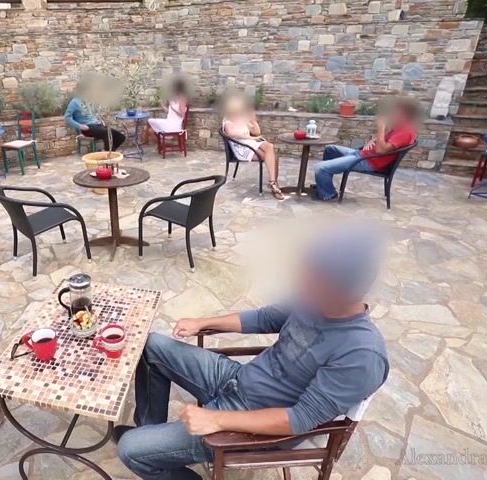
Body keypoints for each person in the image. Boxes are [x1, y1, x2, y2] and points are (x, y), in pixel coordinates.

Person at [116, 224, 390, 480]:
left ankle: (165, 463)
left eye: (310, 275)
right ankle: (149, 430)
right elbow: (264, 318)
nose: (300, 280)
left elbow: (300, 419)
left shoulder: (362, 356)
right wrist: (202, 322)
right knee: (152, 346)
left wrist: (216, 420)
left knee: (130, 449)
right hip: (237, 378)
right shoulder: (313, 300)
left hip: (258, 423)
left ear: (337, 289)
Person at [313, 97, 420, 201]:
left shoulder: (406, 132)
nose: (393, 114)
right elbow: (384, 140)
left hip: (369, 161)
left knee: (320, 168)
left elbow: (380, 150)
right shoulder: (401, 127)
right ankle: (324, 185)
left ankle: (329, 194)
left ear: (404, 114)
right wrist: (374, 139)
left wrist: (380, 128)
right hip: (364, 155)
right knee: (330, 149)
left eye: (396, 111)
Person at [221, 95, 284, 200]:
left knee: (270, 149)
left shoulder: (242, 119)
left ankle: (273, 182)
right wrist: (251, 137)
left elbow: (257, 132)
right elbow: (233, 134)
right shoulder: (228, 122)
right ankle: (273, 184)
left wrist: (253, 121)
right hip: (242, 148)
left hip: (250, 143)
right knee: (271, 153)